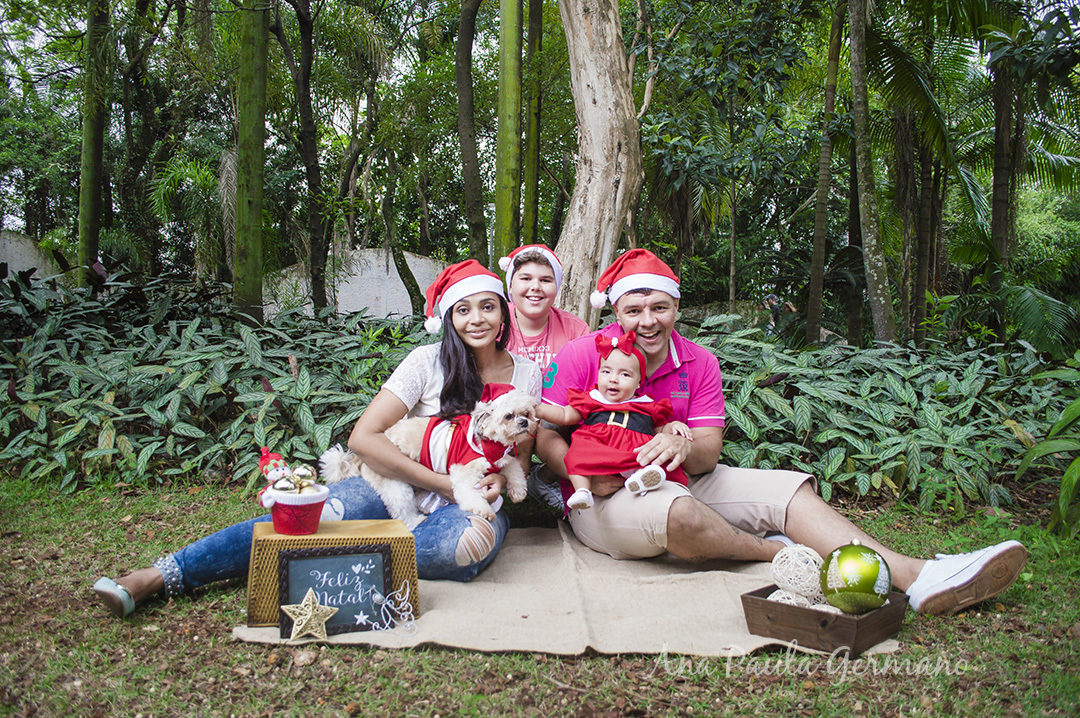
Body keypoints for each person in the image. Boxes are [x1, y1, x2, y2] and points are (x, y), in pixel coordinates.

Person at [535, 249, 1027, 616]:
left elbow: (708, 455)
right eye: (634, 311)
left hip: (680, 475)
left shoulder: (699, 362)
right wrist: (585, 473)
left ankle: (919, 578)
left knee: (788, 492)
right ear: (615, 312)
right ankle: (780, 551)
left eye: (659, 307)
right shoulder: (582, 354)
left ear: (676, 307)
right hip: (602, 495)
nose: (648, 321)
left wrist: (682, 443)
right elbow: (545, 438)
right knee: (680, 515)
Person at [93, 260, 541, 618]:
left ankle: (338, 556)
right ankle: (163, 574)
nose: (477, 319)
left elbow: (521, 455)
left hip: (471, 499)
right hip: (397, 481)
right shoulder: (426, 361)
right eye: (463, 309)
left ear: (503, 311)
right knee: (312, 519)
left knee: (460, 548)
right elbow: (364, 438)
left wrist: (502, 481)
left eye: (488, 306)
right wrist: (439, 482)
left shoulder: (526, 374)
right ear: (448, 317)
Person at [535, 331, 692, 510]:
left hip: (631, 452)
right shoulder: (592, 398)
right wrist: (538, 409)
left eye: (625, 375)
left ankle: (641, 479)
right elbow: (565, 415)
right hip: (595, 446)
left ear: (638, 381)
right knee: (575, 457)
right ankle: (582, 490)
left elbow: (659, 429)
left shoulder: (646, 405)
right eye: (606, 371)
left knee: (647, 457)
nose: (613, 379)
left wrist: (673, 426)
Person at [498, 244, 589, 380]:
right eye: (526, 279)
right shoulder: (494, 325)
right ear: (510, 285)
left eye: (545, 280)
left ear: (556, 287)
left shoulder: (576, 332)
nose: (535, 287)